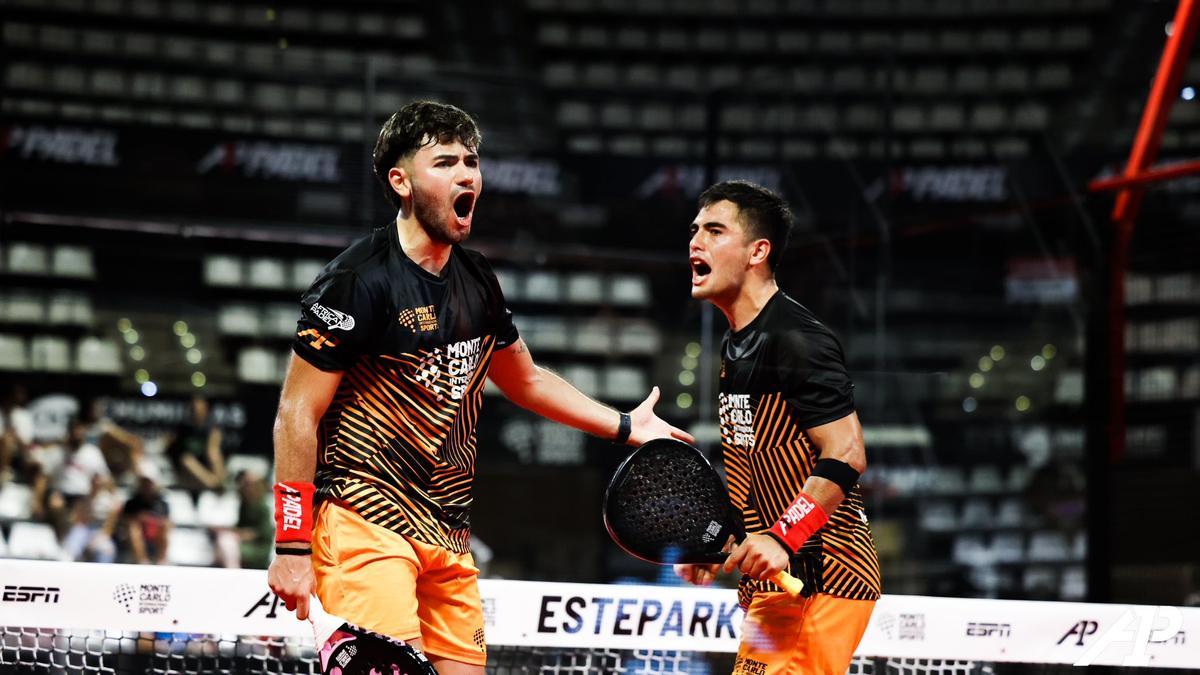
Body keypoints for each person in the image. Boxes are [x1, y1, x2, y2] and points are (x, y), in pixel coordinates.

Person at [267, 100, 691, 675]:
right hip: (363, 522)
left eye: (471, 161)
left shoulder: (478, 282)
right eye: (445, 163)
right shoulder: (356, 281)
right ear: (402, 182)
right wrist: (291, 545)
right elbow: (296, 412)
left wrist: (622, 425)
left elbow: (527, 380)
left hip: (448, 530)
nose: (467, 174)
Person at [675, 181, 880, 675]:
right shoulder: (737, 345)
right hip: (775, 585)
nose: (695, 242)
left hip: (823, 577)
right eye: (695, 230)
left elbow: (847, 452)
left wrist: (782, 538)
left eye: (715, 231)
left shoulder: (797, 339)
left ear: (757, 251)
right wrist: (720, 542)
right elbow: (759, 466)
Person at [165, 395, 225, 495]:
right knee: (187, 460)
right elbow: (171, 447)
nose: (196, 411)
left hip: (206, 465)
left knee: (215, 455)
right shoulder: (183, 427)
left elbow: (213, 450)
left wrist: (212, 446)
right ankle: (213, 485)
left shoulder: (212, 427)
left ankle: (220, 483)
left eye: (199, 407)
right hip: (187, 469)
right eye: (194, 408)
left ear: (206, 409)